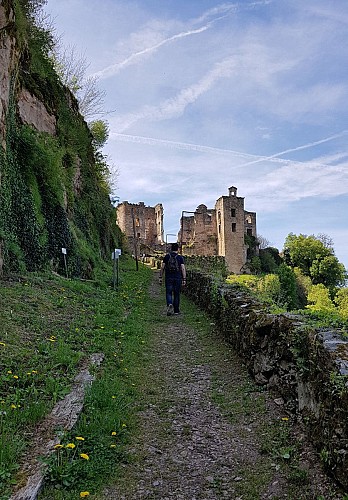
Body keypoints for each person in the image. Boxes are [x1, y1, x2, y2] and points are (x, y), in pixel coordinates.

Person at [159, 243, 186, 316]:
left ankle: (170, 304)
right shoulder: (180, 258)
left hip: (168, 277)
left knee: (169, 293)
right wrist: (184, 279)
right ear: (178, 249)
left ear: (171, 249)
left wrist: (160, 277)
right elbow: (183, 268)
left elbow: (162, 267)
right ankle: (176, 310)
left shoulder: (167, 257)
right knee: (177, 294)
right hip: (177, 278)